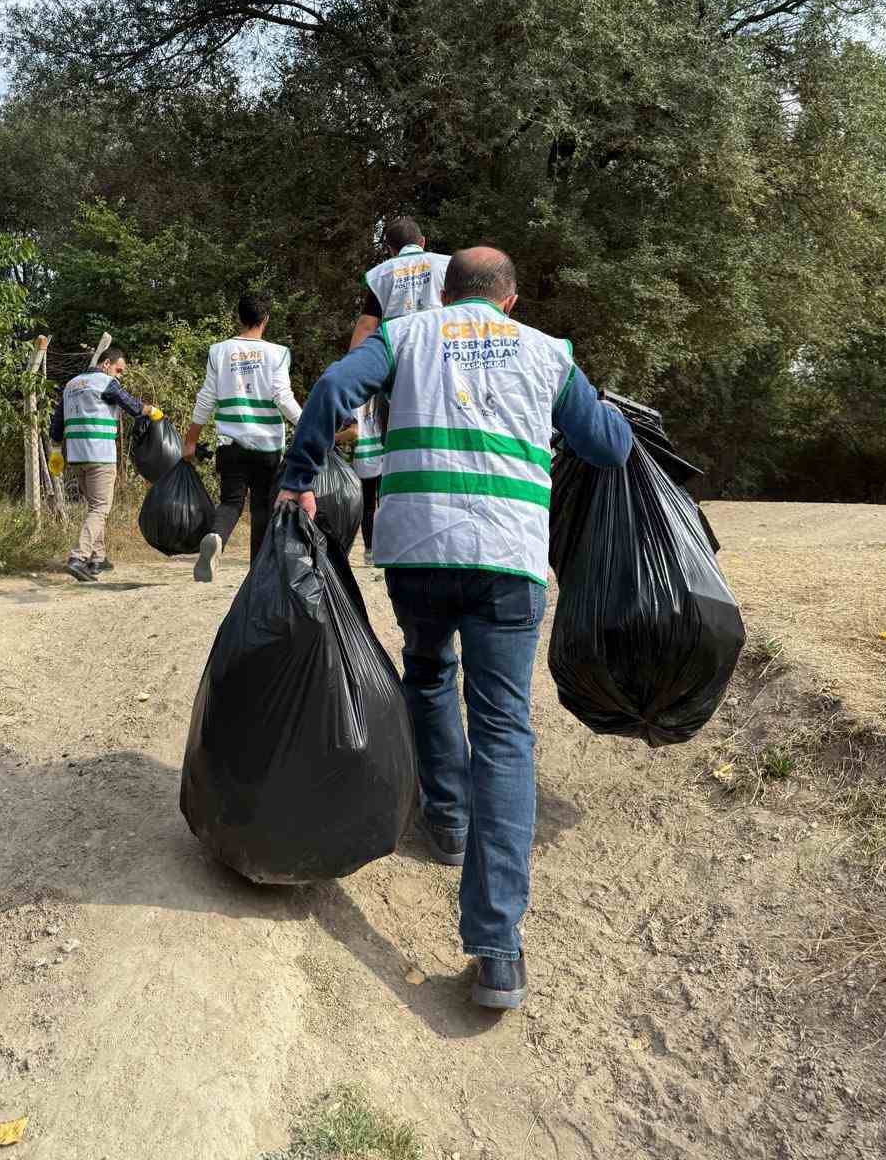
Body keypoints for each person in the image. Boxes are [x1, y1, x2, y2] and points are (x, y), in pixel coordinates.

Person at [278, 247, 631, 1011]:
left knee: (430, 673)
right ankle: (498, 951)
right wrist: (615, 420)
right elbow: (603, 445)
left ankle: (447, 823)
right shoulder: (547, 350)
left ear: (445, 294)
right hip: (508, 556)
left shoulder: (407, 337)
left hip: (418, 547)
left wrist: (299, 477)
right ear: (509, 300)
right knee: (504, 728)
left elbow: (335, 388)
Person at [183, 292, 302, 582]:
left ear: (239, 317)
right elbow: (282, 397)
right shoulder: (277, 353)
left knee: (231, 502)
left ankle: (216, 537)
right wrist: (306, 424)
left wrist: (190, 440)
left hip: (230, 444)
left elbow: (206, 398)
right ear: (266, 319)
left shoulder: (219, 351)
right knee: (262, 506)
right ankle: (257, 574)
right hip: (267, 446)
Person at [48, 347, 161, 581]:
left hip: (77, 457)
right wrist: (151, 410)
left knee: (94, 508)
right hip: (100, 455)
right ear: (106, 364)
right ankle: (78, 558)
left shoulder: (72, 384)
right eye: (118, 370)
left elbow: (57, 420)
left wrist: (56, 450)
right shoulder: (105, 382)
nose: (119, 376)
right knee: (101, 508)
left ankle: (97, 558)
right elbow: (132, 406)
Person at [349, 214, 451, 349]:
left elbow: (367, 325)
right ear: (422, 242)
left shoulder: (381, 275)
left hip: (399, 351)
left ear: (391, 249)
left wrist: (353, 363)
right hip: (441, 346)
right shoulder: (448, 264)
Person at [351, 392, 386, 564]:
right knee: (385, 504)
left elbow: (353, 432)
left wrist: (335, 439)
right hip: (384, 456)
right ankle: (386, 547)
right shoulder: (382, 397)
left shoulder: (354, 400)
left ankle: (369, 552)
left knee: (368, 507)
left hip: (363, 458)